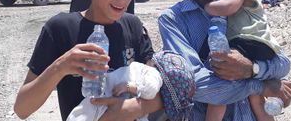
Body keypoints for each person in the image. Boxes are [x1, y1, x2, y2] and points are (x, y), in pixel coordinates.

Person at [14, 0, 162, 121]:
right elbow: (22, 109)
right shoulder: (60, 28)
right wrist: (60, 67)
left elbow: (159, 94)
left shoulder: (133, 25)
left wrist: (129, 109)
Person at [158, 0, 291, 121]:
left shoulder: (236, 3)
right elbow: (194, 83)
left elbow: (282, 62)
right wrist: (262, 86)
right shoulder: (172, 20)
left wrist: (252, 69)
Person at [204, 0, 286, 121]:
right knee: (255, 96)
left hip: (247, 42)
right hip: (261, 46)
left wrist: (206, 4)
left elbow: (228, 7)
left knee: (221, 90)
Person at [67, 51, 196, 121]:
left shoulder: (147, 70)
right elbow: (150, 91)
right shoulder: (153, 74)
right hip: (104, 96)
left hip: (106, 98)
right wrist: (130, 87)